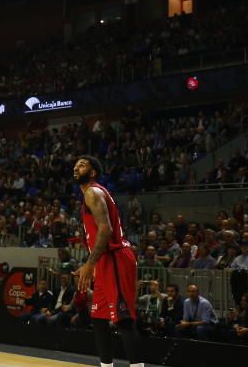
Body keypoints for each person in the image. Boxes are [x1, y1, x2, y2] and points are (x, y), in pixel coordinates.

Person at [73, 156, 145, 367]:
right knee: (98, 318)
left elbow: (105, 230)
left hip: (115, 257)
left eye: (82, 165)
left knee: (123, 320)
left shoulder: (92, 192)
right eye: (76, 165)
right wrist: (92, 264)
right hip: (105, 260)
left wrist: (89, 264)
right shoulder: (91, 193)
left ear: (93, 172)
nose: (77, 167)